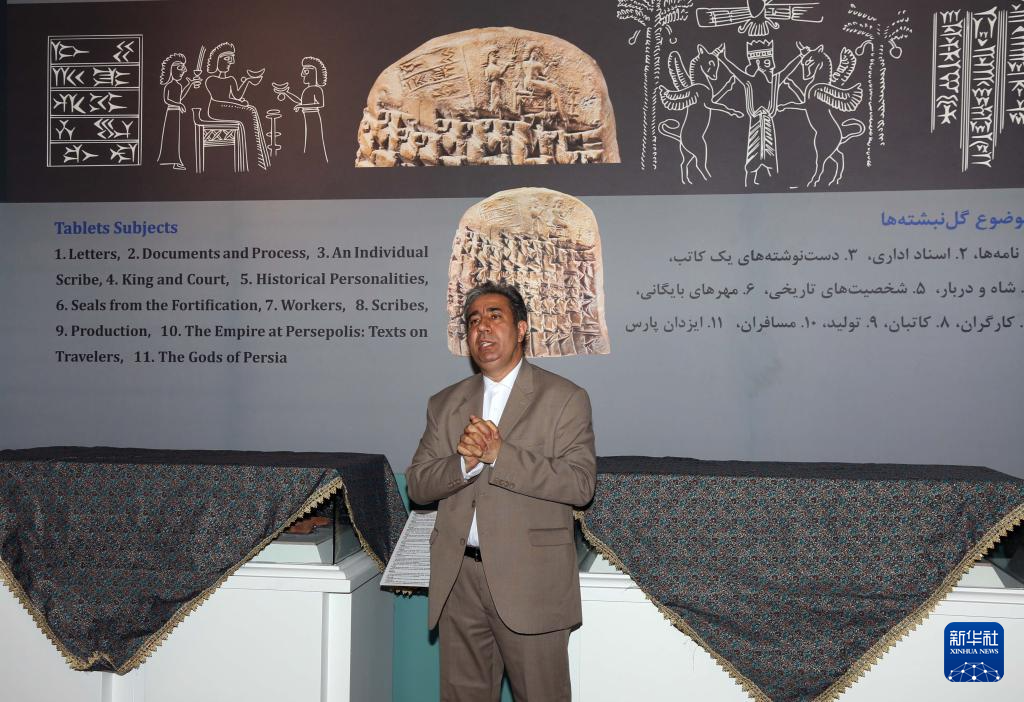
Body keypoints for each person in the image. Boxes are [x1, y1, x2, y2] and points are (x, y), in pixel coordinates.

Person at [406, 281, 596, 702]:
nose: (483, 328)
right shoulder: (445, 403)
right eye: (474, 321)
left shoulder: (564, 398)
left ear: (522, 328)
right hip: (459, 580)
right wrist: (463, 464)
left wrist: (500, 455)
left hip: (532, 582)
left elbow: (580, 484)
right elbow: (418, 484)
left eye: (495, 316)